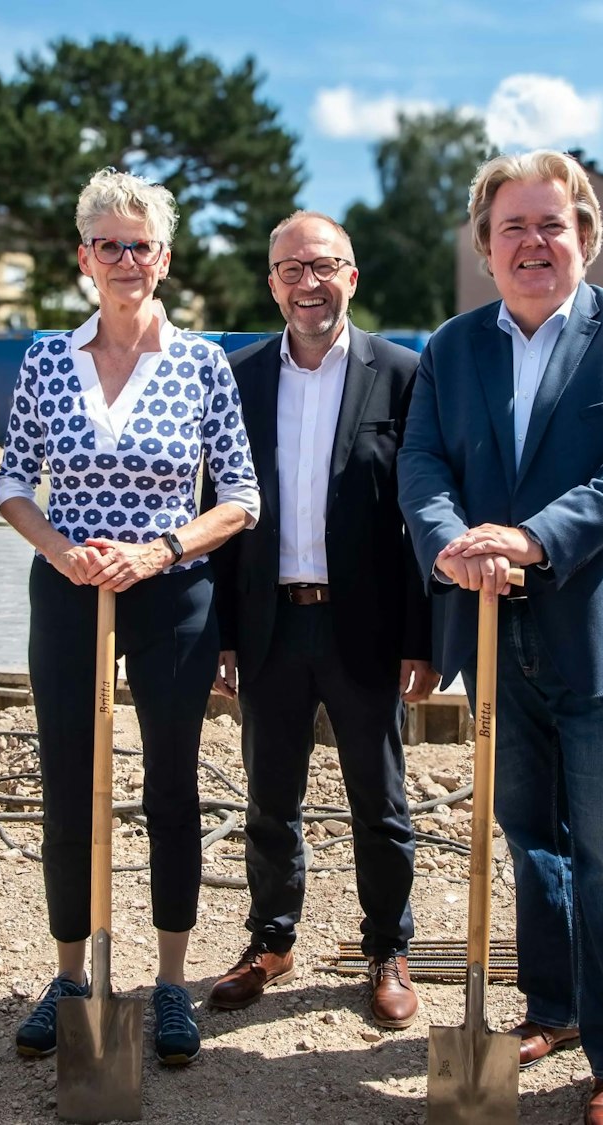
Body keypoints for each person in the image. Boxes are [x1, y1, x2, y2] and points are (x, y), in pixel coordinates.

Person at [398, 150, 603, 1125]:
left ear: (582, 236)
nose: (533, 243)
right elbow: (423, 463)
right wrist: (450, 548)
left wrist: (530, 539)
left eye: (550, 225)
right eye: (511, 229)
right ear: (485, 249)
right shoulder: (453, 348)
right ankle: (553, 1005)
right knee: (529, 835)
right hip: (496, 627)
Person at [0, 167, 259, 1068]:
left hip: (171, 594)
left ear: (164, 258)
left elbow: (243, 498)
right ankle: (72, 977)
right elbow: (14, 485)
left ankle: (172, 981)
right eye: (107, 244)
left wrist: (160, 550)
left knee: (172, 784)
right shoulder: (44, 359)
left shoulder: (201, 363)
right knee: (70, 784)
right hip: (67, 593)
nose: (123, 260)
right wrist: (62, 549)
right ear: (83, 258)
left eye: (138, 245)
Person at [205, 211, 436, 1027]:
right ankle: (270, 939)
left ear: (353, 276)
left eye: (325, 266)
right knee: (271, 797)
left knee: (380, 800)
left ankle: (388, 948)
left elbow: (419, 517)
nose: (310, 283)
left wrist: (423, 637)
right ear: (272, 283)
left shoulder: (404, 374)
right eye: (292, 269)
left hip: (364, 626)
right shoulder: (237, 378)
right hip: (270, 624)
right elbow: (220, 511)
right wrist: (222, 633)